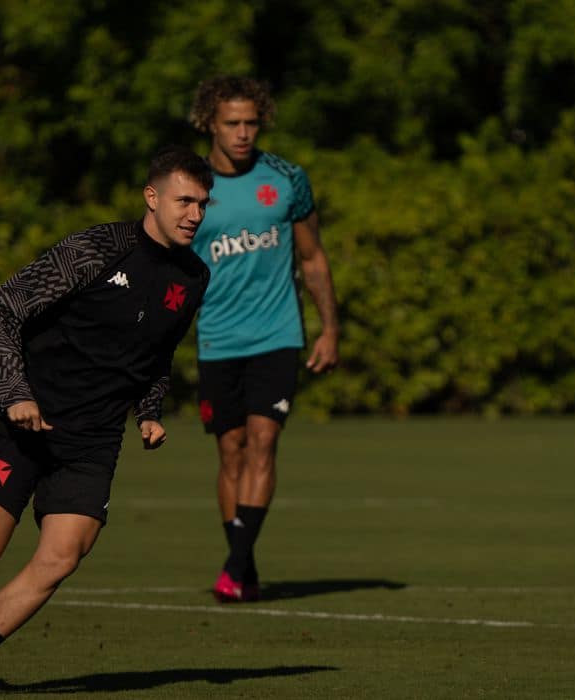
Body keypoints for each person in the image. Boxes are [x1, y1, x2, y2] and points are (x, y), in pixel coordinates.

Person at [0, 145, 211, 698]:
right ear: (152, 197)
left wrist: (150, 411)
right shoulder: (96, 249)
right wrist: (15, 394)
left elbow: (158, 354)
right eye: (184, 201)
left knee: (62, 557)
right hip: (28, 425)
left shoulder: (194, 276)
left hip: (94, 441)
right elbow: (3, 307)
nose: (195, 214)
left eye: (203, 204)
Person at [187, 76, 340, 602]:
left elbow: (313, 258)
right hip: (217, 338)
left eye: (251, 123)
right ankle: (244, 567)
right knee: (231, 452)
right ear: (209, 123)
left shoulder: (288, 179)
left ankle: (232, 568)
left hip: (277, 334)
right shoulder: (190, 184)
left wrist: (330, 329)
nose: (243, 133)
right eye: (232, 123)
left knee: (264, 441)